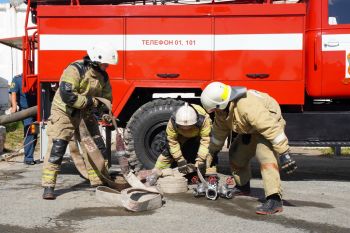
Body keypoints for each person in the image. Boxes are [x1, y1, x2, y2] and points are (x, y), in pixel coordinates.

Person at [200, 82, 297, 215]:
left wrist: (284, 153)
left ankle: (274, 199)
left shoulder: (246, 105)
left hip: (269, 124)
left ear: (220, 104)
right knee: (236, 153)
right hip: (250, 128)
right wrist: (213, 151)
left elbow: (270, 128)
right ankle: (242, 186)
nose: (214, 112)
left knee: (265, 156)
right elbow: (218, 133)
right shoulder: (222, 111)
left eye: (214, 109)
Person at [41, 42, 118, 200]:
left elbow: (106, 97)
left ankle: (97, 181)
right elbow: (67, 95)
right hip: (64, 112)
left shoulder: (103, 76)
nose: (107, 67)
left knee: (95, 146)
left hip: (85, 113)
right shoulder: (75, 70)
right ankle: (48, 185)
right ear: (96, 60)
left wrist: (105, 112)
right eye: (105, 64)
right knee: (58, 147)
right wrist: (91, 102)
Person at [151, 102, 215, 179]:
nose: (186, 129)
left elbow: (206, 140)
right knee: (168, 151)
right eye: (182, 127)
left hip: (198, 134)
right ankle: (158, 172)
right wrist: (179, 159)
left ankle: (205, 171)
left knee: (207, 152)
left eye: (189, 127)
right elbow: (172, 141)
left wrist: (200, 160)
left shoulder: (204, 120)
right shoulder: (173, 122)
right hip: (180, 135)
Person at [9, 74, 37, 165]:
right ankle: (28, 158)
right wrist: (14, 107)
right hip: (26, 111)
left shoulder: (38, 77)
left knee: (35, 133)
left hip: (37, 110)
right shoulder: (17, 79)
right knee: (30, 132)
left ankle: (29, 155)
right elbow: (13, 93)